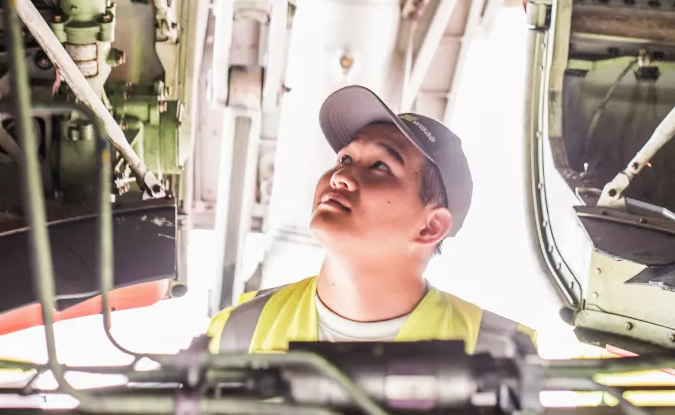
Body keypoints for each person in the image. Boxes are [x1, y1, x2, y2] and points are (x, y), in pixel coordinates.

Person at [205, 85, 535, 354]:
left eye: (380, 166)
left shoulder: (500, 355)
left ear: (430, 226)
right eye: (345, 157)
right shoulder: (235, 335)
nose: (340, 176)